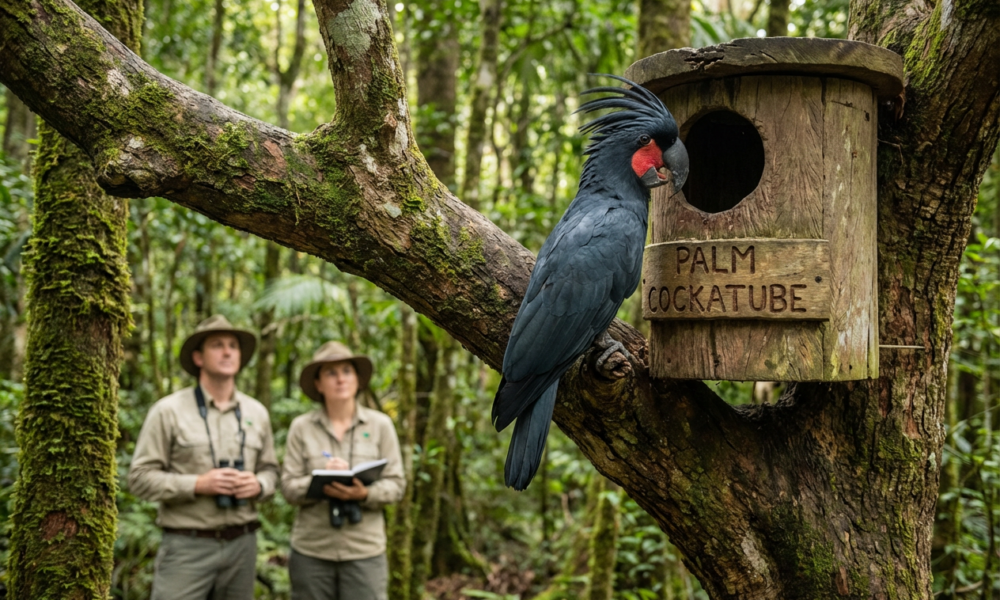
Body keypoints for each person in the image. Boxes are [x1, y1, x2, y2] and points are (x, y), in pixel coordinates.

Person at [128, 314, 280, 600]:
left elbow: (271, 470)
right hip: (187, 545)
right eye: (217, 345)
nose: (227, 351)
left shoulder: (256, 413)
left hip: (242, 545)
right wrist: (198, 484)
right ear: (198, 357)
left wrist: (259, 484)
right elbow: (139, 479)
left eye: (233, 345)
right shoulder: (168, 411)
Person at [281, 341, 405, 600]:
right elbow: (289, 488)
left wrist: (363, 494)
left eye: (347, 371)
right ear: (318, 384)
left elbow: (396, 485)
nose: (340, 379)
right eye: (331, 373)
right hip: (312, 550)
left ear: (358, 379)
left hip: (364, 552)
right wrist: (319, 481)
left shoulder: (380, 425)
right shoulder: (302, 427)